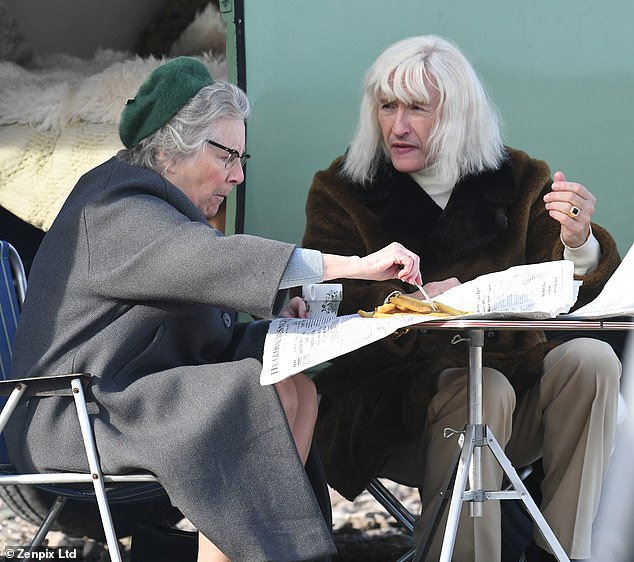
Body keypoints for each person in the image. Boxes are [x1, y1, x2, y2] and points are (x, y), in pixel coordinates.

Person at [5, 56, 424, 562]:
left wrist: (287, 331)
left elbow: (202, 343)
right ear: (168, 150)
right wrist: (356, 265)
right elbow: (212, 262)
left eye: (243, 159)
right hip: (73, 413)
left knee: (298, 390)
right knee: (246, 393)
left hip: (127, 400)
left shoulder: (170, 214)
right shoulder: (113, 205)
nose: (238, 176)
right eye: (227, 156)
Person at [300, 35, 622, 562]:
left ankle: (562, 551)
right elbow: (329, 297)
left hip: (517, 401)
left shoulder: (523, 179)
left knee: (592, 359)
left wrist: (577, 242)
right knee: (482, 389)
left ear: (459, 115)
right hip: (393, 406)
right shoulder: (341, 190)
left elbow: (581, 295)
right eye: (387, 106)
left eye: (417, 109)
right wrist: (418, 299)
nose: (397, 126)